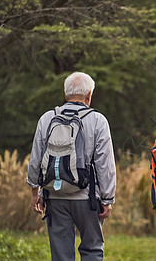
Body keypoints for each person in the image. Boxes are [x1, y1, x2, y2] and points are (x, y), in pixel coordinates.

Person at [27, 72, 116, 261]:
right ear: (89, 95)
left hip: (54, 195)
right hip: (88, 198)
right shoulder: (98, 120)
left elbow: (36, 158)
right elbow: (105, 164)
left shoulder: (47, 118)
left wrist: (36, 192)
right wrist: (108, 198)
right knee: (92, 249)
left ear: (65, 93)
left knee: (60, 254)